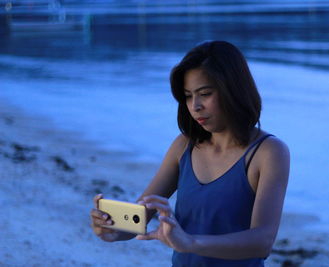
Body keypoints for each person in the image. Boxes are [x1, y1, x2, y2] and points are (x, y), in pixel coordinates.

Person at [90, 40, 290, 266]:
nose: (195, 106)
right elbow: (140, 216)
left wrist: (190, 242)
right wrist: (111, 227)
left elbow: (262, 242)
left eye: (204, 93)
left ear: (233, 90)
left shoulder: (268, 152)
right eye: (187, 96)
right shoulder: (184, 146)